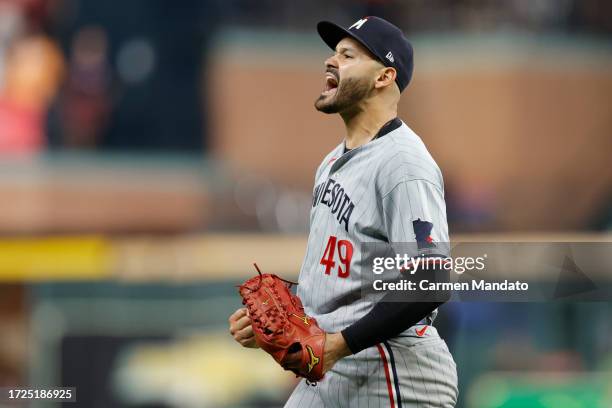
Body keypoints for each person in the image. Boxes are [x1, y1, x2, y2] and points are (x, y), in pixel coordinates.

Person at [230, 16, 458, 407]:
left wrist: (337, 344)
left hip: (391, 370)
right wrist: (286, 323)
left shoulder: (403, 163)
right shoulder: (332, 162)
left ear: (384, 77)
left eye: (348, 55)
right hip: (338, 367)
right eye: (333, 53)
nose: (330, 62)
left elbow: (432, 277)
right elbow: (347, 277)